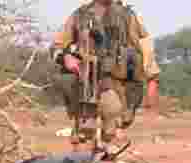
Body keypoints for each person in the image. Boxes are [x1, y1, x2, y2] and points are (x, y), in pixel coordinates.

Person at [50, 0, 159, 146]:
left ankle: (107, 156)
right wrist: (66, 58)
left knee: (112, 124)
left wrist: (153, 80)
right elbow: (56, 46)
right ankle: (84, 160)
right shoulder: (79, 15)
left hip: (116, 83)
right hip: (85, 82)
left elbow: (145, 48)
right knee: (84, 132)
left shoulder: (127, 16)